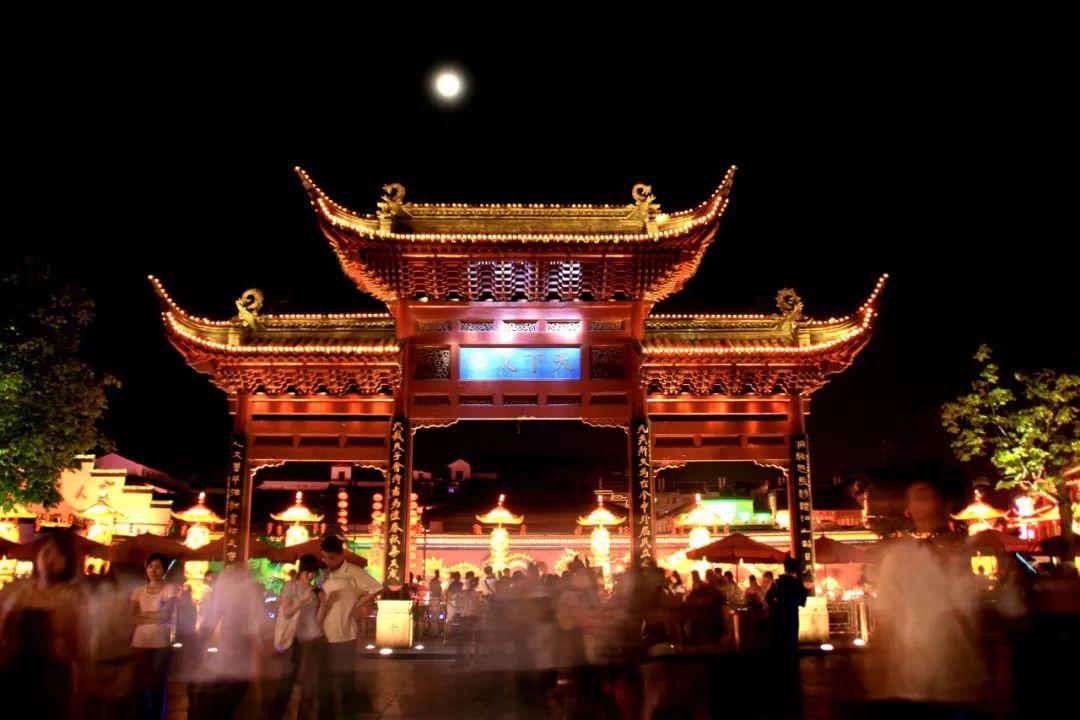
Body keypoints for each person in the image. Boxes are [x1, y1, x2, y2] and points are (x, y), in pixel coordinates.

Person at [0, 533, 87, 720]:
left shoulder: (70, 596)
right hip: (17, 674)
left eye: (58, 554)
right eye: (46, 551)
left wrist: (77, 690)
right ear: (37, 555)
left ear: (67, 562)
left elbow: (76, 649)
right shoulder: (20, 591)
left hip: (51, 677)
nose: (50, 558)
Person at [316, 535, 380, 720]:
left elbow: (376, 587)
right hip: (323, 634)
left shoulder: (353, 572)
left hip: (344, 634)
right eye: (324, 557)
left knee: (346, 683)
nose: (327, 561)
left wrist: (359, 604)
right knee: (324, 683)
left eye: (331, 558)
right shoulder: (325, 574)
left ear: (340, 555)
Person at [268, 554, 323, 720]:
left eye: (314, 573)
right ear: (301, 571)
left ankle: (303, 715)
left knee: (309, 683)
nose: (311, 576)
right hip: (295, 640)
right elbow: (287, 613)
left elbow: (318, 619)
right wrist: (302, 600)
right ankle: (275, 714)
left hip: (313, 639)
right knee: (288, 680)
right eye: (308, 572)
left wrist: (324, 602)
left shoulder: (314, 591)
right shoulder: (290, 587)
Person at [131, 552, 179, 720]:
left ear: (164, 570)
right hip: (140, 642)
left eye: (158, 567)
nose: (153, 570)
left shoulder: (170, 589)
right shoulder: (138, 591)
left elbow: (167, 614)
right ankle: (143, 715)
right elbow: (132, 616)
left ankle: (158, 715)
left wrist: (145, 615)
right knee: (140, 683)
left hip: (161, 643)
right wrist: (156, 615)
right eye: (150, 566)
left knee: (158, 683)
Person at [766, 557, 808, 655]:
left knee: (778, 647)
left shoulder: (776, 583)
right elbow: (802, 602)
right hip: (792, 619)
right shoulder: (798, 584)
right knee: (791, 647)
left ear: (785, 569)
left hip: (777, 619)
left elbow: (768, 599)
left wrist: (777, 603)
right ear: (796, 570)